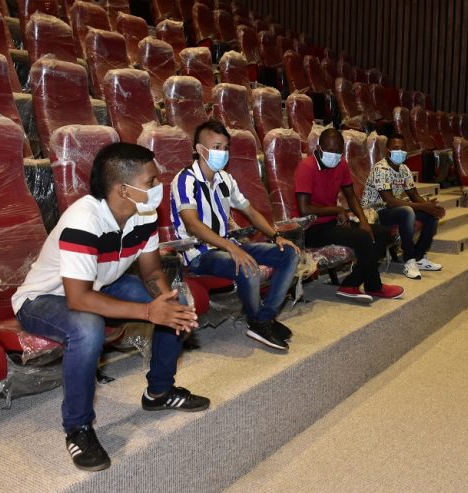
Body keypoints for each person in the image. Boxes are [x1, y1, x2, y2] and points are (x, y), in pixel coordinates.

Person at [12, 143, 210, 472]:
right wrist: (150, 312)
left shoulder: (143, 213)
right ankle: (78, 428)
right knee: (88, 326)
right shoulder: (83, 220)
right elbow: (78, 299)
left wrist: (164, 300)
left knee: (171, 303)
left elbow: (151, 272)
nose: (158, 187)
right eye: (151, 181)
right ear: (123, 189)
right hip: (43, 299)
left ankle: (159, 392)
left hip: (98, 284)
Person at [171, 120, 300, 352]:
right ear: (200, 149)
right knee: (247, 266)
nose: (223, 153)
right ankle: (258, 320)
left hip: (228, 245)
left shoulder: (225, 179)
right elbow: (192, 224)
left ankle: (263, 318)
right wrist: (233, 249)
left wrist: (276, 235)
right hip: (200, 254)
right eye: (217, 146)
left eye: (225, 147)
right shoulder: (185, 179)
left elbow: (249, 210)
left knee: (288, 253)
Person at [294, 128, 404, 301]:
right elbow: (304, 209)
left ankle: (352, 283)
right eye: (329, 150)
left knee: (382, 233)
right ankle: (373, 286)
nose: (334, 155)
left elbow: (351, 196)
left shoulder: (341, 164)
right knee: (362, 238)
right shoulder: (306, 167)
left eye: (338, 151)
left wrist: (363, 221)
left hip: (331, 223)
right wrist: (338, 210)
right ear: (319, 148)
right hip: (310, 228)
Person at [361, 133, 445, 279]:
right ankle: (409, 260)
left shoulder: (404, 169)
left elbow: (414, 195)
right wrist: (423, 206)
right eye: (396, 148)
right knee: (408, 211)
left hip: (392, 210)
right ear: (388, 150)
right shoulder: (381, 169)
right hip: (375, 213)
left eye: (402, 149)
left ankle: (419, 257)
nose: (400, 152)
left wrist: (430, 207)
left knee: (430, 215)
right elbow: (389, 201)